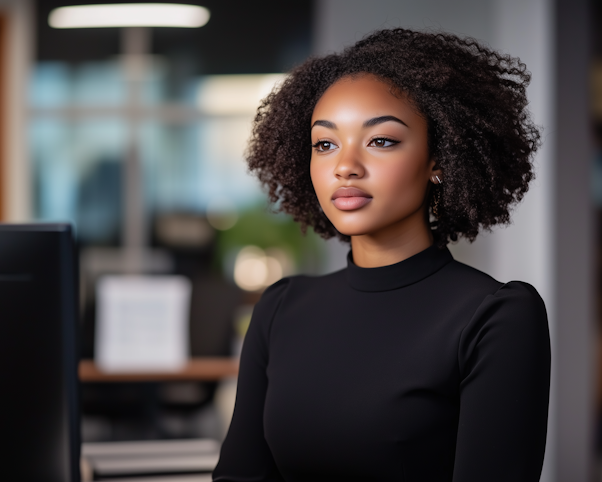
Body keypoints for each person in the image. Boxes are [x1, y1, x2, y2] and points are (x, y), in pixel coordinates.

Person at [213, 28, 550, 482]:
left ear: (439, 160)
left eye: (381, 140)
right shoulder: (280, 307)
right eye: (325, 144)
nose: (345, 166)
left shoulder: (497, 316)